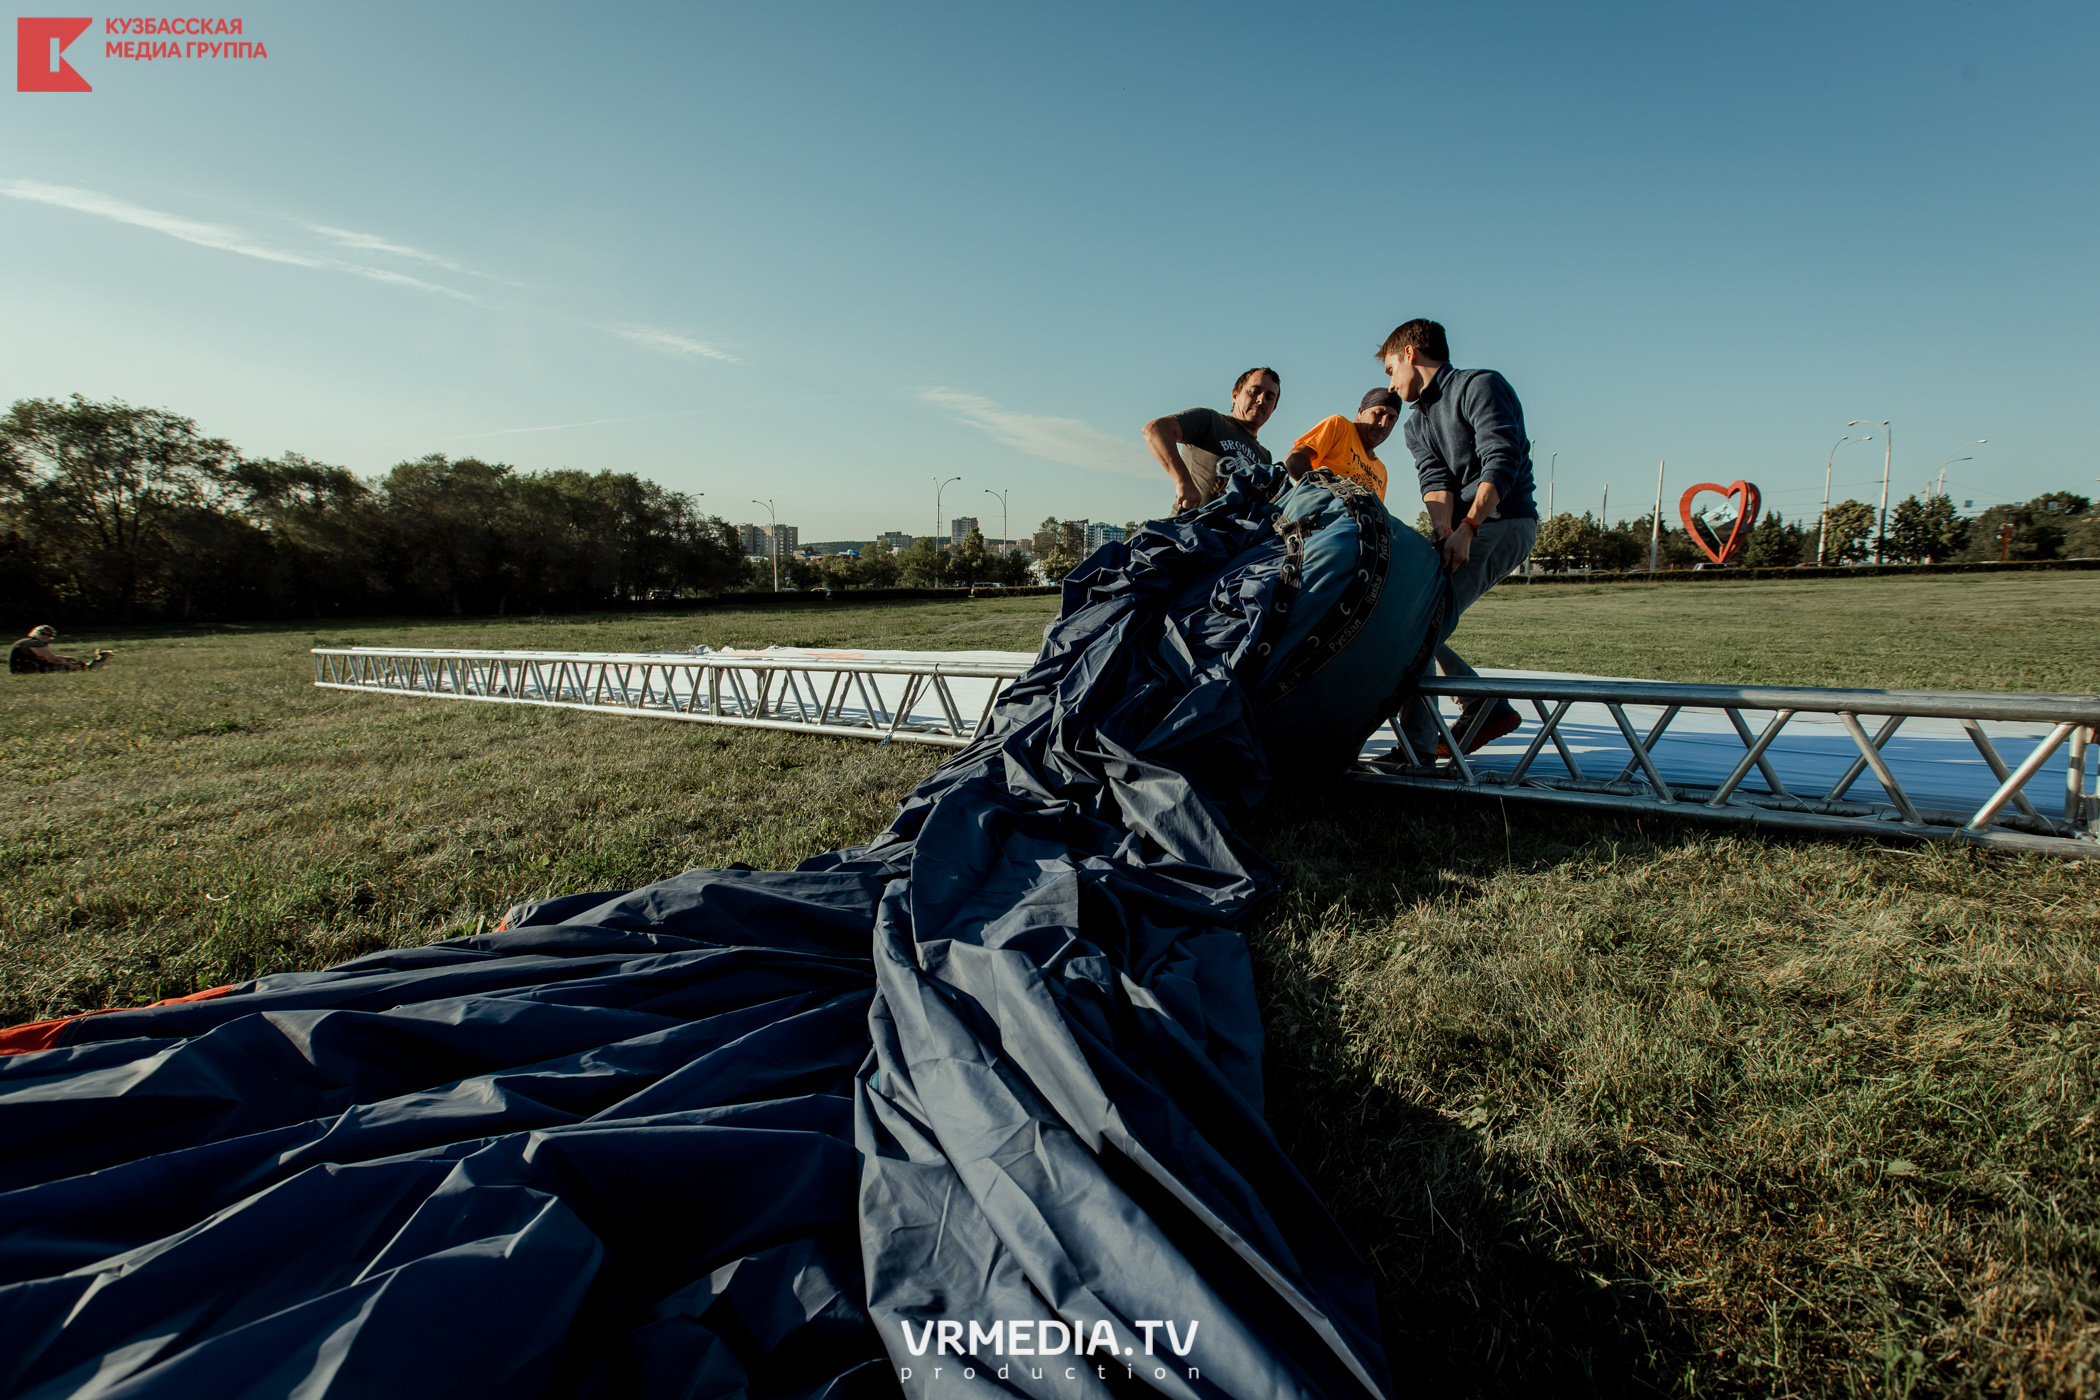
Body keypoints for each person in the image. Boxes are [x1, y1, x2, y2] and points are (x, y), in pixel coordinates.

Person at [1381, 319, 1537, 757]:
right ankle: (1483, 705)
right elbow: (1435, 481)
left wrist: (1468, 528)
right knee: (1411, 615)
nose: (1391, 386)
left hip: (1503, 520)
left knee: (1418, 622)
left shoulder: (1479, 386)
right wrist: (1444, 530)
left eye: (1390, 370)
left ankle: (1419, 748)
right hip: (1464, 526)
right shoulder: (1416, 424)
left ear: (1410, 354)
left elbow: (1501, 459)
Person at [1143, 367, 1282, 511]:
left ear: (1274, 408)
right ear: (1235, 395)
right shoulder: (1210, 421)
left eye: (1269, 397)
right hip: (1191, 526)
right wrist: (1183, 481)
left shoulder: (1265, 457)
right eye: (1254, 392)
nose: (1261, 400)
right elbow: (1155, 429)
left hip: (1234, 531)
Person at [1284, 388, 1403, 500]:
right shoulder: (1340, 427)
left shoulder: (1381, 471)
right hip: (1317, 516)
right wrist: (1319, 494)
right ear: (1360, 413)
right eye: (1378, 413)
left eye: (1392, 418)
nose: (1384, 423)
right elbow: (1295, 458)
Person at [8, 625, 113, 674]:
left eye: (49, 634)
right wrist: (71, 665)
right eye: (42, 633)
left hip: (20, 669)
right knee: (68, 668)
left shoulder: (29, 641)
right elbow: (52, 659)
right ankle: (90, 667)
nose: (45, 636)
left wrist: (68, 658)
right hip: (26, 671)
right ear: (36, 633)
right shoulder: (35, 643)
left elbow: (49, 658)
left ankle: (93, 664)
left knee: (70, 662)